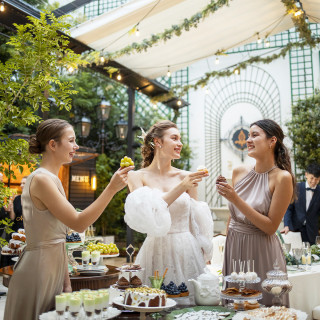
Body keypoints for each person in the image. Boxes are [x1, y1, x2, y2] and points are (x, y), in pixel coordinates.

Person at [4, 119, 133, 320]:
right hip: (38, 270)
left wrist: (66, 282)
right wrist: (111, 189)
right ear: (53, 145)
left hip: (52, 268)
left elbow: (59, 239)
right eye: (71, 140)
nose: (76, 146)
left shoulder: (51, 179)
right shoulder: (41, 179)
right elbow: (78, 222)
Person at [124, 120, 213, 297]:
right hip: (155, 250)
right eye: (174, 138)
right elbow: (149, 214)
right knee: (152, 303)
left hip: (187, 250)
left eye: (180, 139)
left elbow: (194, 220)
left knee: (189, 304)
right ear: (158, 142)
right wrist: (181, 187)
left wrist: (203, 251)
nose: (180, 143)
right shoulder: (135, 176)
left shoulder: (187, 176)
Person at [216, 119, 295, 307]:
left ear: (272, 141)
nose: (248, 140)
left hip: (261, 249)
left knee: (262, 307)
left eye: (254, 135)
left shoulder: (282, 178)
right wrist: (226, 243)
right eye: (248, 135)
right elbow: (233, 215)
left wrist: (235, 198)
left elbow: (270, 227)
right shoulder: (238, 171)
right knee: (235, 303)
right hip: (234, 247)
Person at [282, 163, 320, 245]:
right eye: (312, 178)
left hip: (312, 231)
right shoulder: (296, 188)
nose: (313, 181)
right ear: (306, 174)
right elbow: (288, 208)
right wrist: (286, 225)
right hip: (295, 229)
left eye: (317, 179)